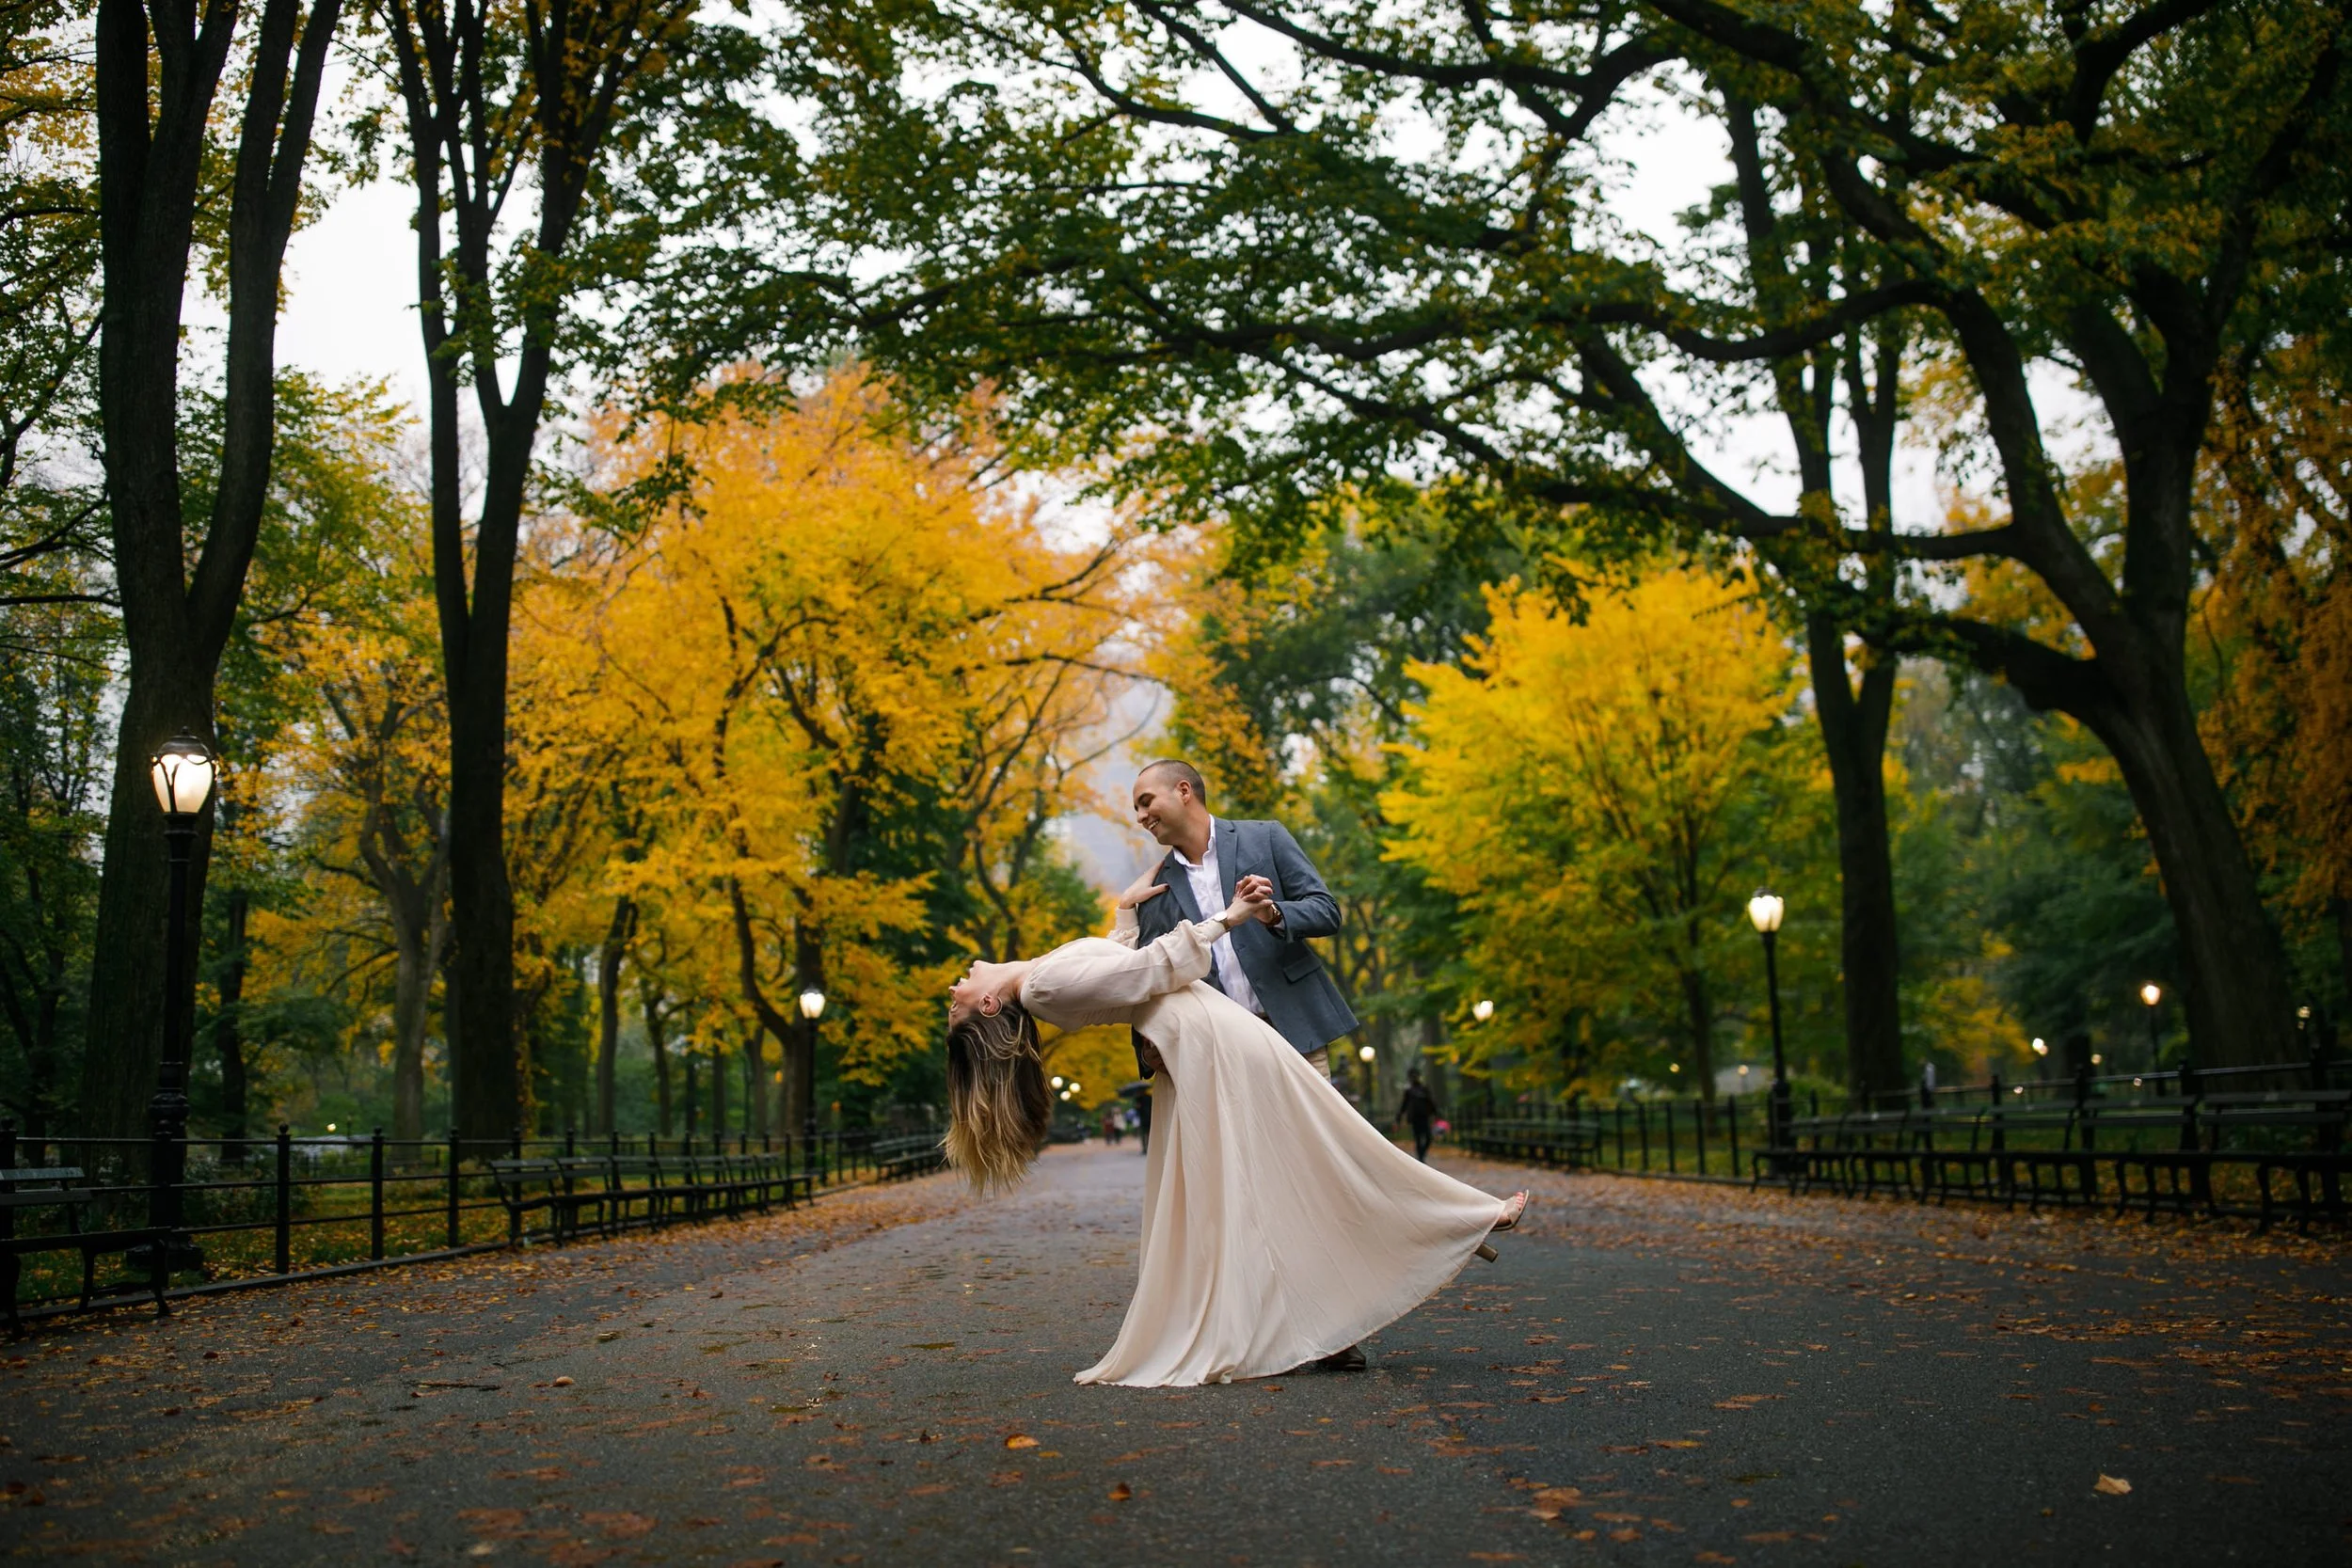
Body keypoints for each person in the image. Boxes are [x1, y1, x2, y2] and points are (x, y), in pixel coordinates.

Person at [943, 878, 1529, 1389]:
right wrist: (1232, 916)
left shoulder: (1042, 981)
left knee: (1303, 1151)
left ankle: (1446, 1225)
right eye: (957, 1007)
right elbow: (1152, 968)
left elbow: (1115, 968)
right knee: (1321, 1141)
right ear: (991, 1006)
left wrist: (1124, 915)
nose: (952, 991)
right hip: (1206, 1039)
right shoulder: (1041, 990)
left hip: (1202, 1036)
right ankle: (1462, 1217)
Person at [1123, 758, 1375, 1368]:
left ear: (1184, 790)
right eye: (1137, 807)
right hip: (1218, 1055)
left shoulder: (1264, 837)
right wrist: (1150, 1048)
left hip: (1295, 1035)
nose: (1141, 814)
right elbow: (1151, 978)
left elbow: (1327, 909)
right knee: (1255, 1187)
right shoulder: (1154, 886)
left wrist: (1274, 912)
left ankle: (1343, 1321)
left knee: (1317, 1172)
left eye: (1146, 799)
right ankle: (1297, 1329)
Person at [1394, 1069, 1440, 1163]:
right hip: (1415, 1118)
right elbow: (1404, 1105)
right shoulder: (1409, 1091)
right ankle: (1421, 1158)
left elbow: (1430, 1102)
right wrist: (1399, 1117)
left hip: (1424, 1117)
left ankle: (1421, 1156)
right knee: (1418, 1138)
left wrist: (1436, 1113)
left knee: (1428, 1138)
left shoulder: (1424, 1088)